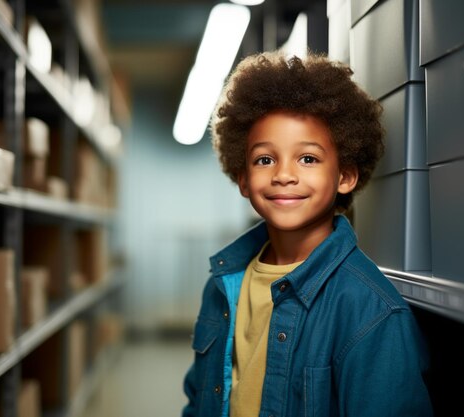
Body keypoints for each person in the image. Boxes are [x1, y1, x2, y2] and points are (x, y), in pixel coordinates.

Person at [182, 51, 433, 417]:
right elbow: (199, 398)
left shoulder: (370, 310)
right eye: (265, 160)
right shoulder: (223, 284)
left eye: (308, 159)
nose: (284, 175)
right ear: (242, 179)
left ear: (346, 176)